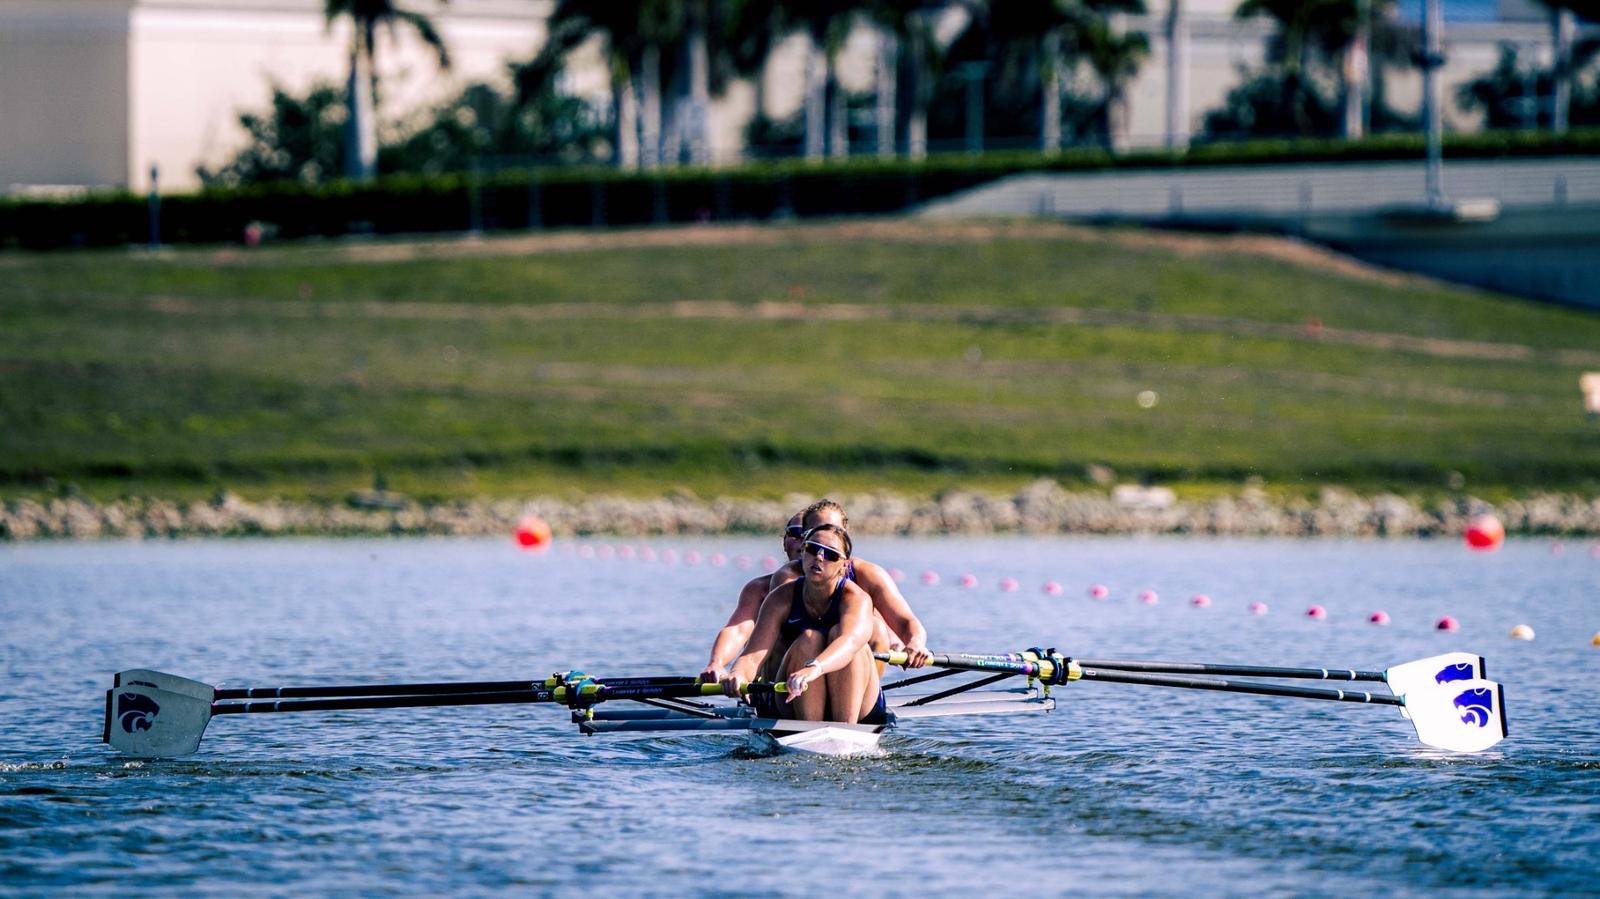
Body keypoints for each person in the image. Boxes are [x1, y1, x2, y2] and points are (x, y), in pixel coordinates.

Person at [720, 523, 883, 723]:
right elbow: (753, 655)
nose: (819, 557)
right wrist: (737, 674)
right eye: (812, 549)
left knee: (853, 646)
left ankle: (846, 728)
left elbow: (849, 643)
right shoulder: (781, 597)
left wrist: (814, 668)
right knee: (809, 639)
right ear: (803, 551)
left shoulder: (857, 598)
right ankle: (810, 730)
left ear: (845, 565)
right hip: (793, 695)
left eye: (831, 554)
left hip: (857, 703)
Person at [699, 510, 805, 684]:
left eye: (811, 534)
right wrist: (716, 663)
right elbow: (738, 630)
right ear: (784, 542)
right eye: (795, 533)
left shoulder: (851, 588)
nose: (803, 542)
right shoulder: (759, 589)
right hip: (774, 688)